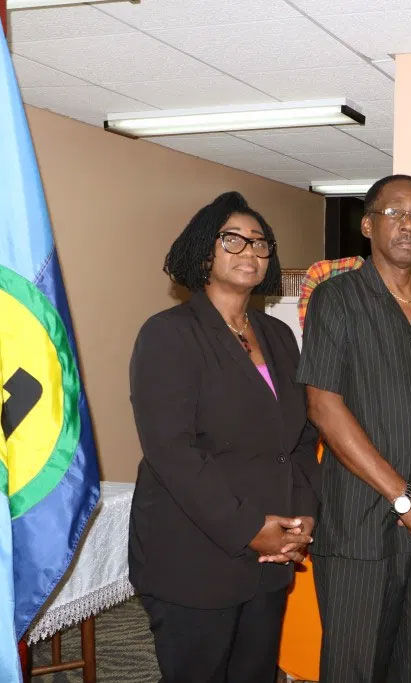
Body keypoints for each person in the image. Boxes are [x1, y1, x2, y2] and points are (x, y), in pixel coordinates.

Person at [128, 191, 319, 683]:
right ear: (203, 253)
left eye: (260, 242)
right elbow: (172, 451)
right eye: (233, 239)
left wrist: (302, 516)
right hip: (195, 553)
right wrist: (248, 528)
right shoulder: (168, 334)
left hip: (271, 552)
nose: (250, 251)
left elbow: (300, 437)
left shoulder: (278, 336)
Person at [297, 174, 411, 682]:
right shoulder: (336, 299)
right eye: (395, 213)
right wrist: (403, 498)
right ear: (368, 225)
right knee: (356, 669)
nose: (408, 225)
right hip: (360, 528)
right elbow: (324, 407)